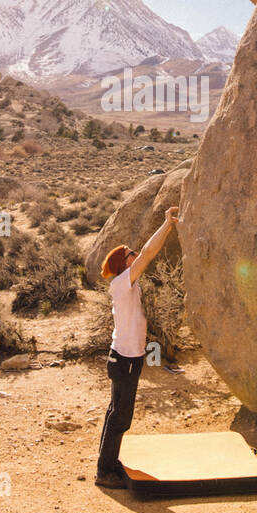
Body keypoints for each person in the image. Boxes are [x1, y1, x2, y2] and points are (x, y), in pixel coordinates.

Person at [94, 205, 179, 489]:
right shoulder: (121, 284)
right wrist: (167, 224)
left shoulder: (128, 284)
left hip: (127, 359)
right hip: (124, 360)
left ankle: (107, 464)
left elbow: (142, 255)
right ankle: (105, 473)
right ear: (125, 263)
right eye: (129, 254)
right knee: (120, 417)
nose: (134, 254)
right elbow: (148, 253)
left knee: (115, 412)